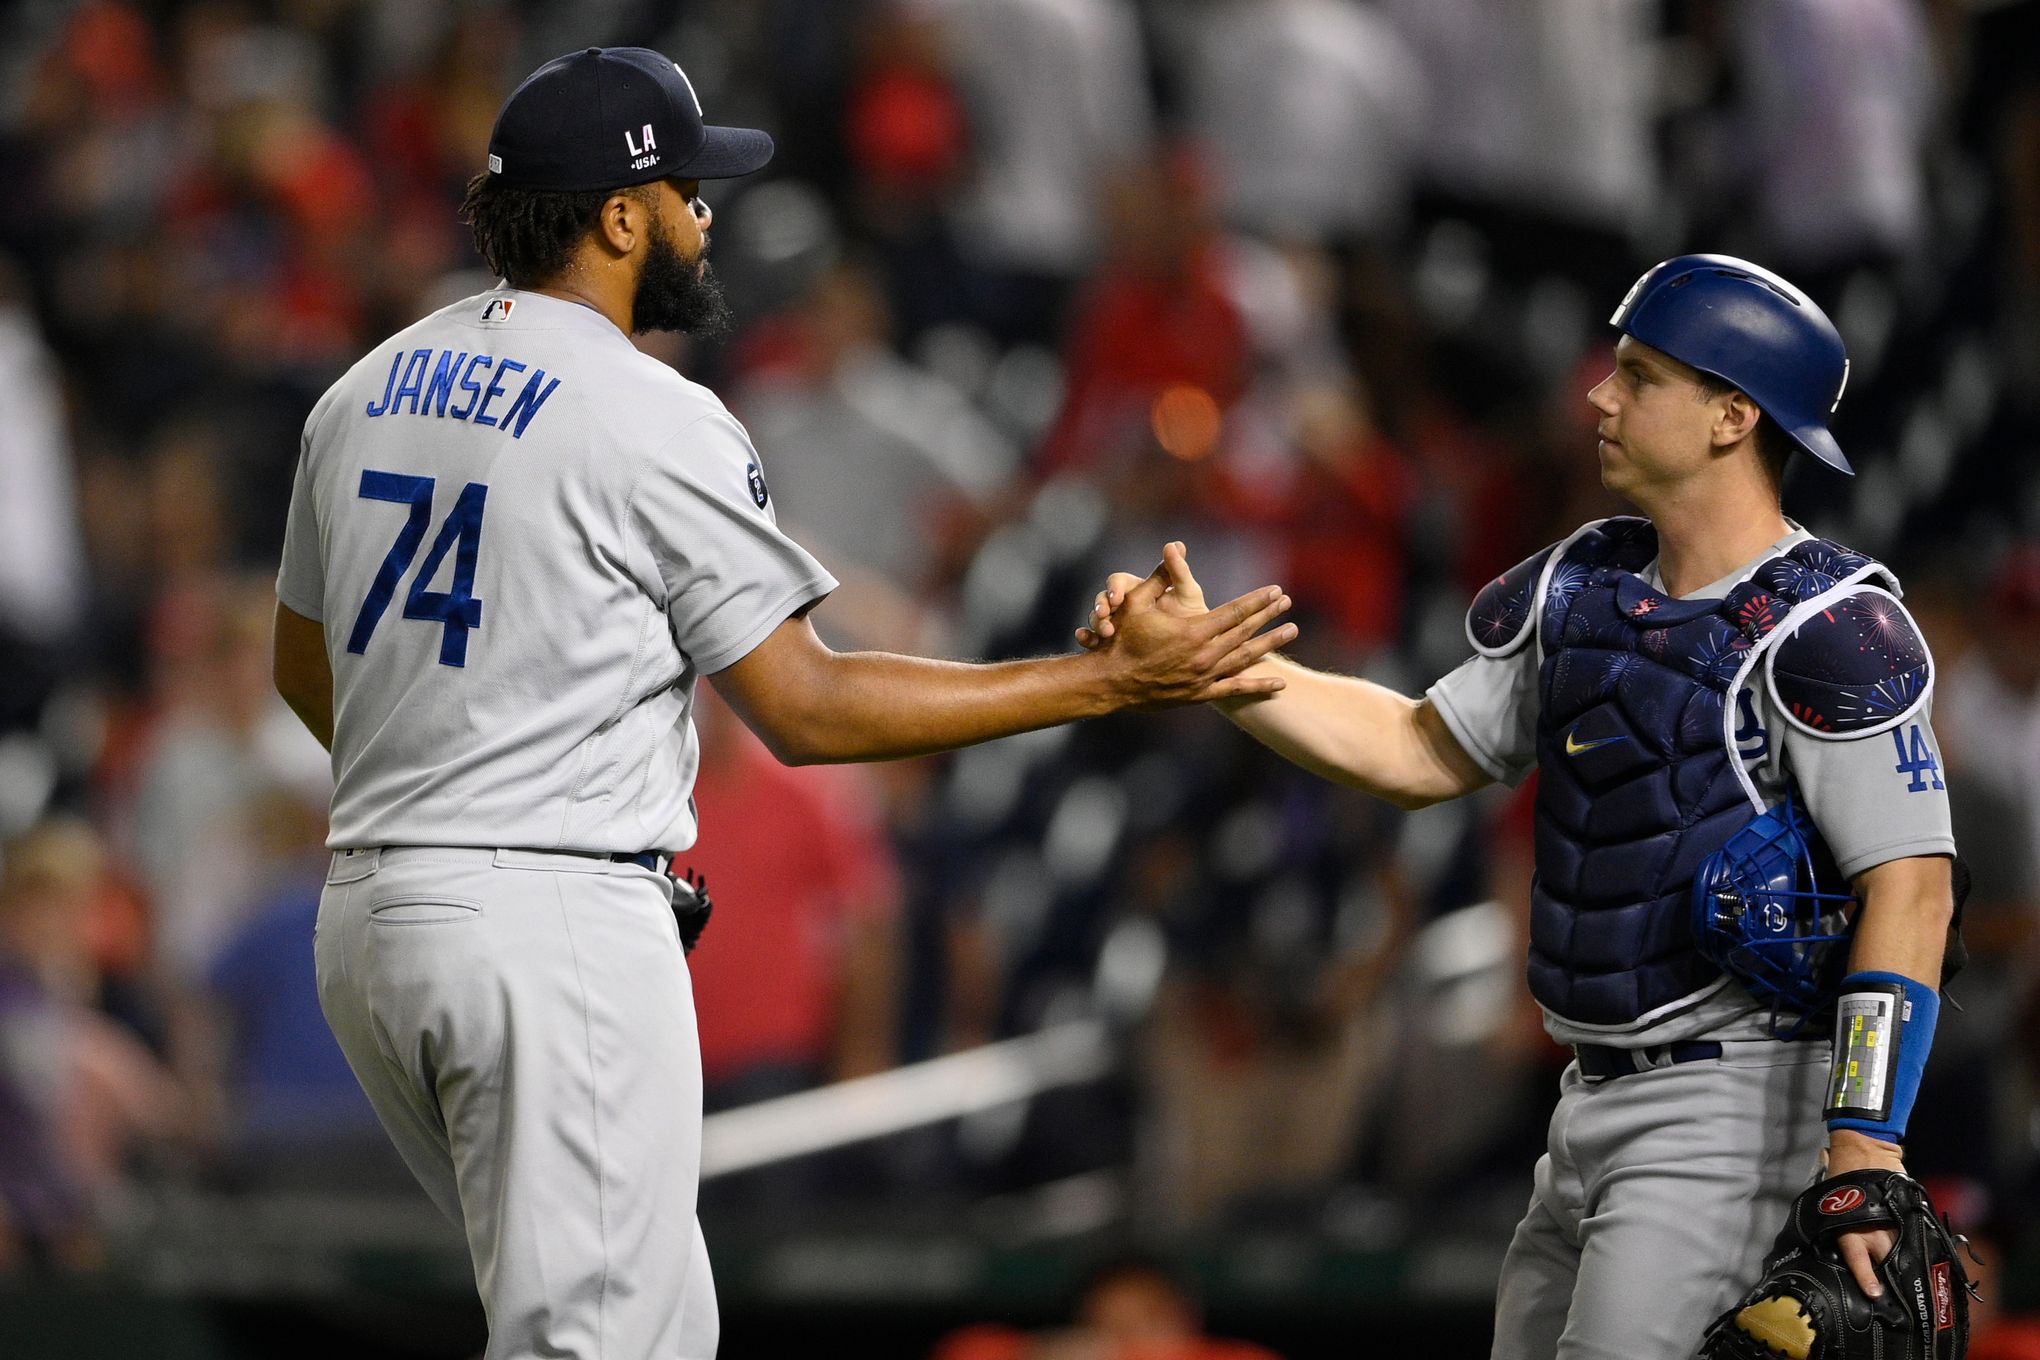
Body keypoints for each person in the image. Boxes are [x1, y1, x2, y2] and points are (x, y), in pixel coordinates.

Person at [268, 46, 1295, 1360]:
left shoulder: (362, 393)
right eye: (689, 190)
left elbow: (308, 670)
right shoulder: (650, 412)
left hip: (372, 928)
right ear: (620, 214)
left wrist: (453, 803)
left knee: (646, 1324)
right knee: (606, 1344)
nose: (707, 218)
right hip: (546, 923)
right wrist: (1106, 680)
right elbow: (807, 707)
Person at [1084, 255, 1959, 1358]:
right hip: (1585, 1104)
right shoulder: (1580, 588)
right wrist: (1209, 665)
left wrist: (1866, 1143)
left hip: (1734, 1105)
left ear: (1734, 415)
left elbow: (1913, 890)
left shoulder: (1833, 627)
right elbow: (1414, 748)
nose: (1598, 395)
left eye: (1639, 375)